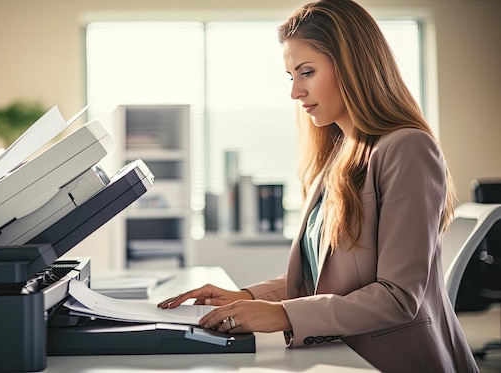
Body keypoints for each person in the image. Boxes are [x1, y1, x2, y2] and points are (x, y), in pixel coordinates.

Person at [157, 0, 479, 372]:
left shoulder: (407, 148)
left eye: (306, 72)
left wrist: (281, 314)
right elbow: (321, 278)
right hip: (343, 357)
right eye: (291, 76)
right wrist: (245, 297)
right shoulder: (337, 157)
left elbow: (398, 297)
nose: (295, 92)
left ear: (354, 66)